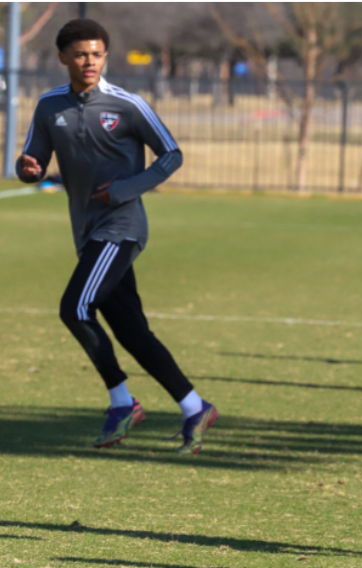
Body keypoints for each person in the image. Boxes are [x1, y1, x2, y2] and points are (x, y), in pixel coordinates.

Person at [16, 19, 217, 454]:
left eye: (97, 54)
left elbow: (172, 154)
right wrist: (27, 168)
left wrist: (125, 190)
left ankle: (121, 403)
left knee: (75, 307)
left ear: (105, 56)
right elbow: (32, 158)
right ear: (63, 57)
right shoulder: (49, 106)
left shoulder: (128, 105)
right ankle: (194, 407)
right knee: (131, 330)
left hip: (122, 227)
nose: (90, 61)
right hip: (86, 230)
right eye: (81, 54)